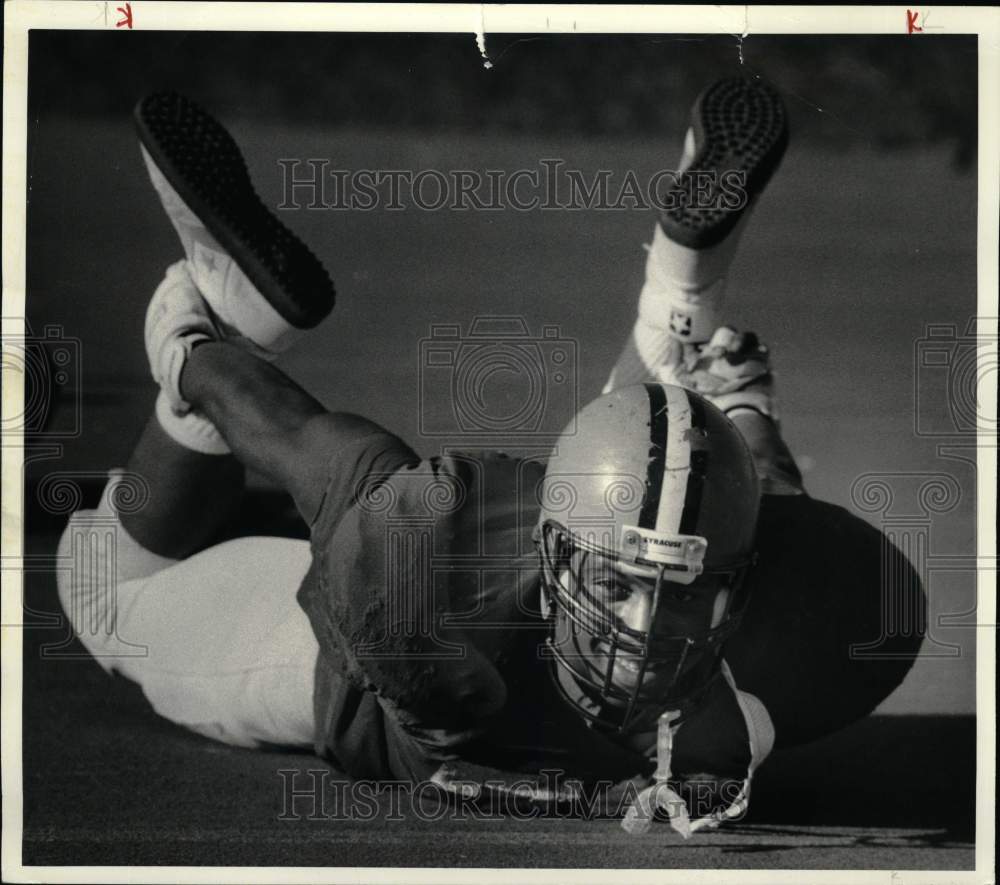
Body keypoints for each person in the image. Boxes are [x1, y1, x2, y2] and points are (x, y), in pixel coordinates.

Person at [56, 79, 924, 836]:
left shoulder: (791, 626)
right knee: (103, 590)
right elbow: (304, 445)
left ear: (739, 583)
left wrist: (739, 414)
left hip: (502, 595)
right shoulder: (424, 573)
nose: (642, 629)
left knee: (706, 511)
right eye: (619, 586)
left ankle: (678, 307)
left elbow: (761, 503)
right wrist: (191, 347)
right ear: (545, 551)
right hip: (344, 677)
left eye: (683, 591)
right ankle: (231, 327)